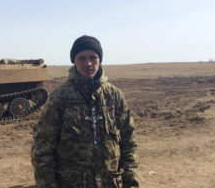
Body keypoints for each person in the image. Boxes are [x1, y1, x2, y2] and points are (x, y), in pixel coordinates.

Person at [31, 35, 139, 188]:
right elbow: (42, 150)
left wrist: (130, 182)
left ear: (99, 60)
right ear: (74, 61)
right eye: (81, 58)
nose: (88, 63)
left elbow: (129, 143)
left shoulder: (114, 96)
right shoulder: (60, 98)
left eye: (92, 57)